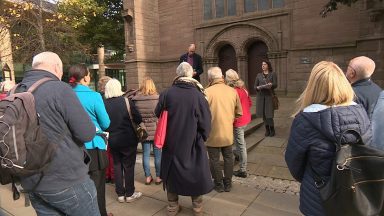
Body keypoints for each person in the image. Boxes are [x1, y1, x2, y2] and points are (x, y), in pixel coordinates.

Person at [285, 61, 372, 216]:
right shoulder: (361, 113)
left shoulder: (305, 119)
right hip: (354, 193)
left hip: (319, 195)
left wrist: (313, 179)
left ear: (313, 87)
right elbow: (366, 150)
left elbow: (294, 163)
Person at [18, 52, 100, 215]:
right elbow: (86, 134)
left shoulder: (16, 90)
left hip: (31, 180)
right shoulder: (59, 88)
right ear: (56, 68)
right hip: (65, 179)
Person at [155, 62, 212, 216]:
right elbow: (206, 123)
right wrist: (202, 137)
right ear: (191, 74)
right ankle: (197, 208)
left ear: (178, 74)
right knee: (195, 174)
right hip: (193, 142)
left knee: (172, 174)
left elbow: (157, 113)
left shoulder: (167, 93)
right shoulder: (198, 95)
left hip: (171, 142)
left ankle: (172, 208)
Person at [68, 64, 112, 216]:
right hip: (93, 147)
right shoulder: (94, 96)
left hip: (72, 148)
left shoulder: (66, 95)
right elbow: (106, 123)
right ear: (86, 77)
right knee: (98, 187)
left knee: (77, 188)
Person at [104, 79, 143, 203]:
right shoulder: (127, 101)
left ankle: (120, 194)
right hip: (128, 139)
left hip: (113, 139)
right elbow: (138, 118)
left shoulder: (104, 103)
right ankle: (129, 193)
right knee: (129, 166)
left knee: (117, 165)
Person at [205, 67, 242, 193]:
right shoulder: (232, 91)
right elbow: (239, 112)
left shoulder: (206, 92)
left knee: (214, 159)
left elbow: (202, 114)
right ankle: (228, 183)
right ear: (221, 77)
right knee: (228, 157)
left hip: (212, 132)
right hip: (227, 132)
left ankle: (219, 184)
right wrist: (229, 119)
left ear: (210, 78)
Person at [132, 77, 162, 185]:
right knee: (158, 154)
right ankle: (159, 177)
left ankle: (148, 177)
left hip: (143, 130)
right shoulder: (157, 98)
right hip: (156, 129)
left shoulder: (136, 100)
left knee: (145, 154)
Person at [225, 69, 252, 178]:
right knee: (239, 142)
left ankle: (243, 170)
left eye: (226, 76)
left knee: (241, 145)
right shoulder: (243, 89)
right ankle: (238, 155)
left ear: (229, 78)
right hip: (245, 118)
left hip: (238, 121)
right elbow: (249, 103)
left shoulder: (232, 91)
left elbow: (231, 108)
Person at [97, 76, 115, 184]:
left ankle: (106, 175)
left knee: (105, 153)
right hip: (110, 127)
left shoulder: (98, 97)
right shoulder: (109, 98)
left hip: (101, 129)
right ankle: (112, 175)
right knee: (111, 155)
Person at [254, 60, 278, 137]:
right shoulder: (259, 75)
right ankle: (267, 129)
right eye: (262, 64)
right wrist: (258, 87)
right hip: (261, 97)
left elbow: (275, 84)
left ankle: (272, 129)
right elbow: (255, 86)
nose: (263, 66)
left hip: (269, 96)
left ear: (268, 65)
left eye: (264, 64)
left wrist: (271, 84)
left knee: (269, 114)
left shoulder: (273, 74)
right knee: (263, 114)